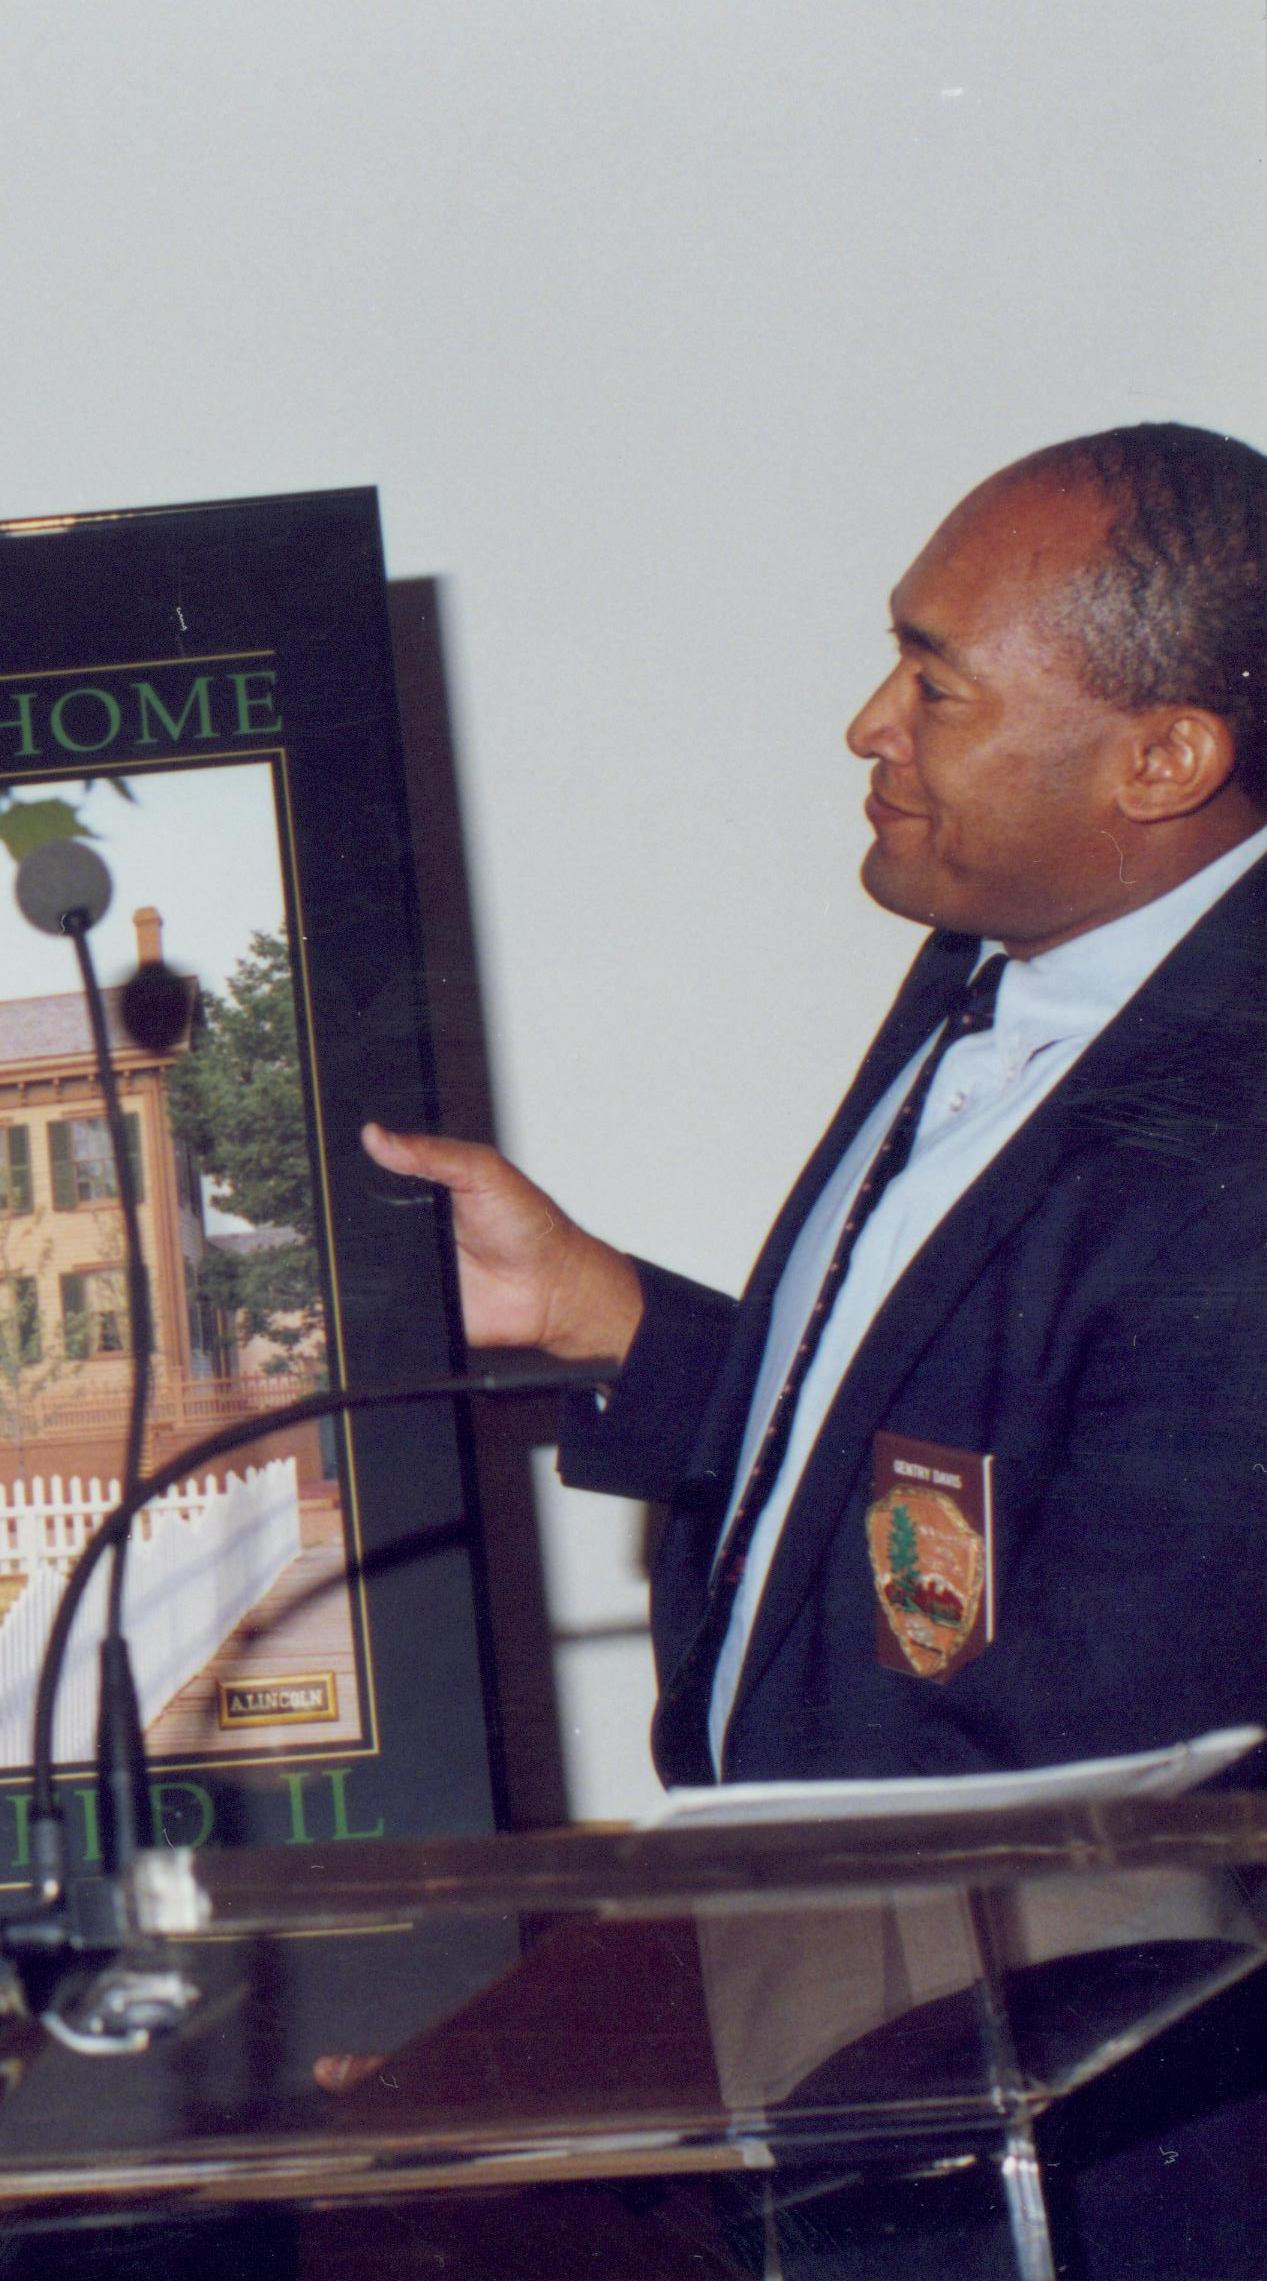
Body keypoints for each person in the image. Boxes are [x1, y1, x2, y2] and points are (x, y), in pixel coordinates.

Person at [367, 424, 1267, 2275]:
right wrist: (607, 1315)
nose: (871, 721)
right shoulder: (1004, 943)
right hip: (849, 2080)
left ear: (1162, 759)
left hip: (1052, 2178)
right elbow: (952, 1483)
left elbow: (1076, 1778)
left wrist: (542, 2052)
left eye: (934, 681)